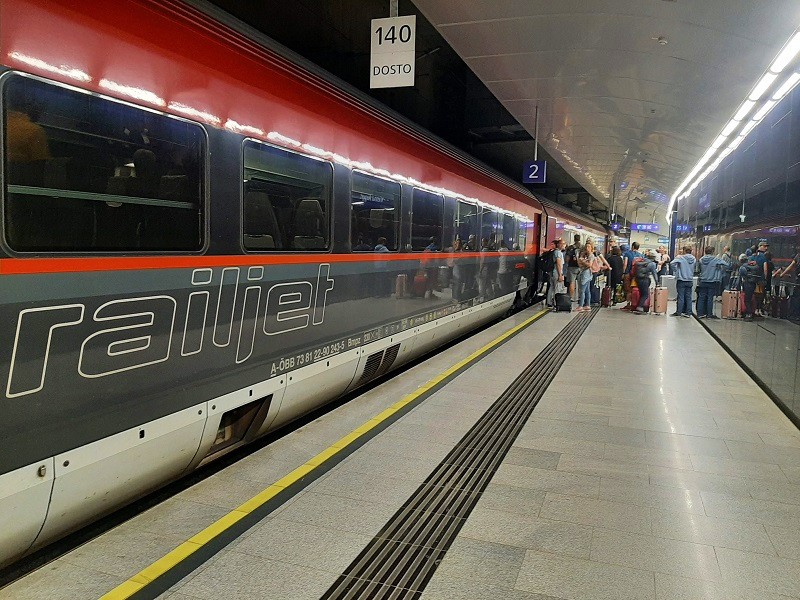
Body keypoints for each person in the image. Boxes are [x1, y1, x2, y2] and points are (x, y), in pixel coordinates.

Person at [696, 246, 727, 318]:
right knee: (710, 298)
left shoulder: (701, 259)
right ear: (712, 252)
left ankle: (700, 314)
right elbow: (726, 264)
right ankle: (709, 314)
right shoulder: (716, 259)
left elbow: (698, 270)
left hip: (703, 281)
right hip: (712, 281)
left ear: (705, 252)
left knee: (701, 298)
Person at [671, 246, 696, 317]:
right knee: (689, 297)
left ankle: (679, 312)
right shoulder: (693, 259)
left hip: (681, 280)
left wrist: (676, 270)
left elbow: (672, 263)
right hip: (690, 280)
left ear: (684, 251)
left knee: (681, 296)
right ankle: (688, 313)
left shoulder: (680, 258)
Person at [633, 250, 658, 314]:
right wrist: (657, 283)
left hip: (637, 279)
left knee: (641, 293)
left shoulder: (640, 261)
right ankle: (640, 307)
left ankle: (639, 307)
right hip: (645, 279)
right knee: (645, 295)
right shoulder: (652, 264)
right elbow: (654, 274)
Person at [547, 238, 566, 307]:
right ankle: (556, 303)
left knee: (551, 287)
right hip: (557, 273)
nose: (565, 245)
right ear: (559, 245)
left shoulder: (555, 252)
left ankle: (549, 302)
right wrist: (560, 275)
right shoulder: (558, 253)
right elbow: (558, 264)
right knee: (557, 288)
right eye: (564, 244)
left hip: (553, 272)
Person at [576, 243, 593, 312]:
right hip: (587, 274)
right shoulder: (586, 256)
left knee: (582, 290)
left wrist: (582, 260)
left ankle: (580, 306)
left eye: (589, 247)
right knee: (587, 291)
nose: (587, 248)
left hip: (585, 275)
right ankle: (587, 305)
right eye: (586, 247)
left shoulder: (591, 256)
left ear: (591, 248)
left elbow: (589, 265)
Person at [565, 234, 582, 301]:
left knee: (572, 282)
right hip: (581, 267)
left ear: (574, 239)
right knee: (581, 283)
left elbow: (567, 259)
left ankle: (571, 297)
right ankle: (580, 297)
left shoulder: (570, 248)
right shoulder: (582, 247)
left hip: (572, 267)